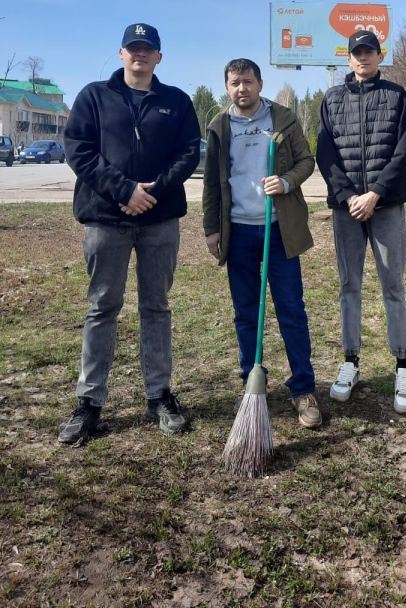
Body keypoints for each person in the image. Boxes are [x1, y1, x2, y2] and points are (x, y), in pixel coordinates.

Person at [59, 23, 200, 445]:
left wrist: (153, 191)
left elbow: (189, 151)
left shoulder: (176, 101)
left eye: (148, 49)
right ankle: (89, 402)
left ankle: (159, 395)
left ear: (159, 57)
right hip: (106, 217)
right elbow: (78, 148)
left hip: (159, 219)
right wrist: (125, 191)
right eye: (133, 48)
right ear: (121, 53)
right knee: (103, 306)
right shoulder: (94, 96)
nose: (140, 55)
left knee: (156, 306)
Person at [202, 58, 321, 429]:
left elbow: (306, 161)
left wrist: (285, 182)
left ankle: (303, 389)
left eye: (248, 82)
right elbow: (210, 183)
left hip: (277, 229)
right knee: (246, 313)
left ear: (260, 83)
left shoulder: (282, 118)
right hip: (238, 232)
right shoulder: (219, 127)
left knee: (291, 310)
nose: (242, 89)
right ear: (227, 86)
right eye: (235, 83)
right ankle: (252, 384)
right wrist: (211, 227)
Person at [316, 30, 406, 413]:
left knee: (394, 286)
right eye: (357, 52)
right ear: (349, 57)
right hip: (346, 209)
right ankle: (350, 361)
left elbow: (403, 151)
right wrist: (349, 196)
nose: (363, 58)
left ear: (379, 55)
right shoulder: (332, 99)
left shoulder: (395, 96)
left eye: (369, 52)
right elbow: (326, 153)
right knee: (349, 286)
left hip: (386, 205)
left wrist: (374, 193)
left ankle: (402, 364)